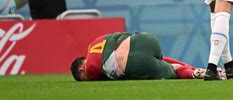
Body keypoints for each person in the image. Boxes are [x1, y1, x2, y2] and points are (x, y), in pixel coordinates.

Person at [70, 31, 224, 81]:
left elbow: (92, 69)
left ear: (81, 69)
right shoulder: (94, 43)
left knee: (173, 70)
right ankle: (204, 69)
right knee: (163, 61)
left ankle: (196, 73)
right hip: (144, 39)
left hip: (135, 62)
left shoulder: (89, 67)